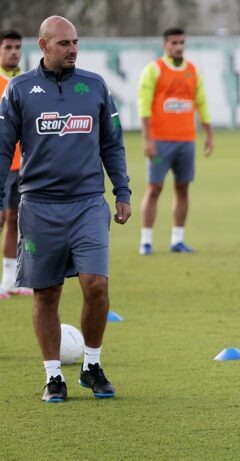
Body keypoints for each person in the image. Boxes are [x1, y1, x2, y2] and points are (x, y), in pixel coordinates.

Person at [0, 16, 132, 402]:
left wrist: (122, 190)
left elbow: (112, 143)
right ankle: (53, 375)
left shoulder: (95, 85)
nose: (73, 49)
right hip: (39, 207)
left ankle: (92, 366)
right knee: (47, 294)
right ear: (43, 46)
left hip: (88, 203)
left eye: (75, 42)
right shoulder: (19, 90)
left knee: (96, 285)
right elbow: (3, 148)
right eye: (64, 43)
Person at [137, 26, 213, 255]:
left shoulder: (192, 70)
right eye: (174, 43)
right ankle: (146, 241)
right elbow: (144, 105)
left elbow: (201, 102)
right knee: (154, 188)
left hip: (186, 140)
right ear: (165, 45)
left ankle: (177, 240)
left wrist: (208, 134)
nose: (179, 47)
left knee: (183, 188)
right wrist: (147, 139)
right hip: (160, 140)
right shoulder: (154, 70)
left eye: (181, 43)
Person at [0, 29, 32, 298]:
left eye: (17, 47)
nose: (14, 52)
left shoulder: (27, 83)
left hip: (23, 165)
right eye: (8, 47)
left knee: (15, 220)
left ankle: (10, 280)